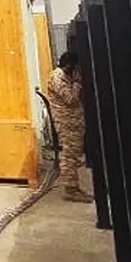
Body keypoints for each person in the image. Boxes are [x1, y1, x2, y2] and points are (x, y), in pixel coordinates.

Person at [47, 51, 93, 203]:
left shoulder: (66, 77)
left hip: (73, 123)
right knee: (69, 157)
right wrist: (77, 83)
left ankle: (74, 187)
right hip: (66, 123)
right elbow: (71, 99)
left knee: (74, 156)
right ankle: (70, 189)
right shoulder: (57, 77)